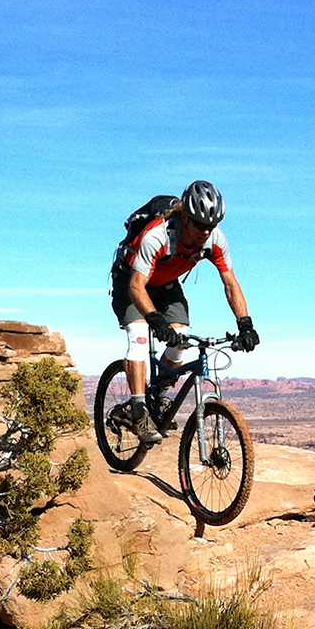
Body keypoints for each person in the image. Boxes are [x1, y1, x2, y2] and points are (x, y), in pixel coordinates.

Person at [109, 180, 259, 445]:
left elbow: (230, 283)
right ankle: (138, 409)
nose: (205, 232)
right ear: (185, 218)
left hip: (166, 286)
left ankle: (159, 396)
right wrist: (154, 319)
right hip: (130, 282)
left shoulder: (215, 240)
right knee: (139, 337)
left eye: (210, 226)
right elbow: (136, 286)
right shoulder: (158, 236)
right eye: (200, 225)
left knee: (181, 339)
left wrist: (245, 324)